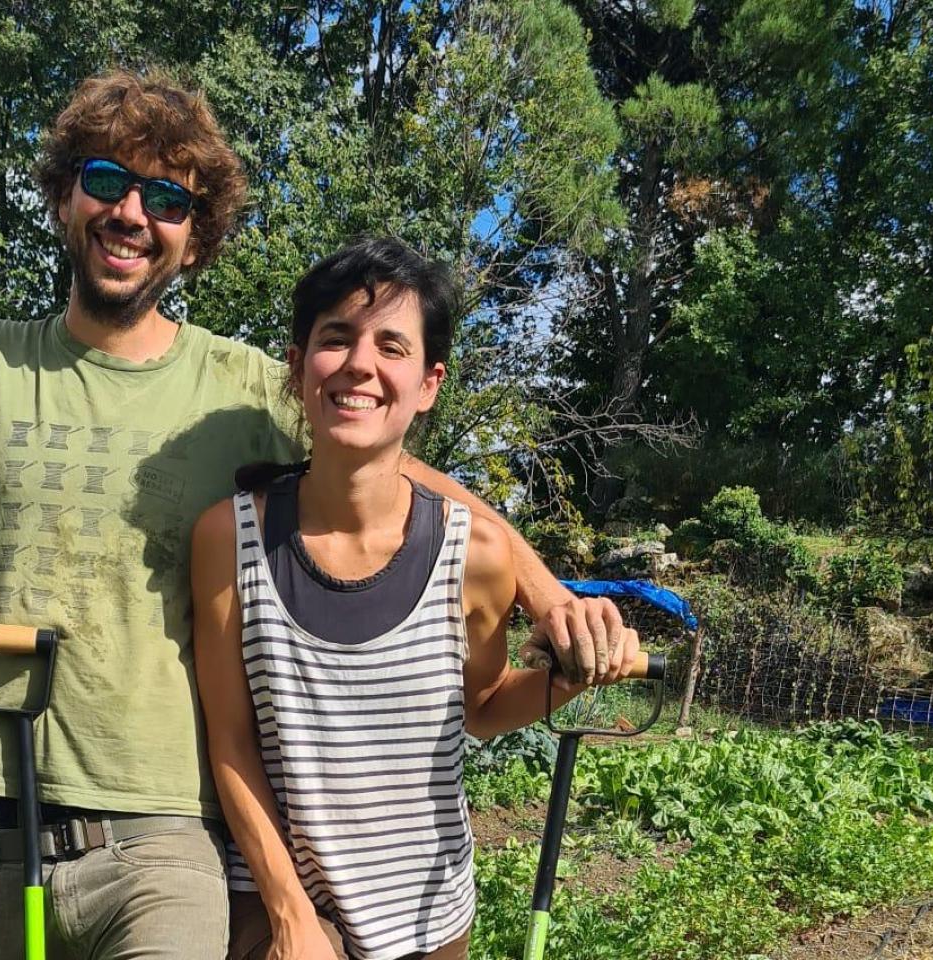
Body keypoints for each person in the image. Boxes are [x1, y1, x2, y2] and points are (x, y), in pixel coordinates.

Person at [0, 59, 633, 960]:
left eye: (166, 199)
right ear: (63, 199)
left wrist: (551, 599)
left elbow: (402, 473)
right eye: (105, 180)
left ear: (196, 239)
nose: (131, 213)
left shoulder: (240, 389)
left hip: (166, 821)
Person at [191, 238, 644, 960]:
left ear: (430, 383)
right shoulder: (230, 539)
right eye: (335, 338)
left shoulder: (477, 556)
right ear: (298, 367)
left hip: (432, 920)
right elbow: (233, 743)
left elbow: (483, 709)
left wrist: (569, 678)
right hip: (286, 915)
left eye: (391, 346)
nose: (359, 364)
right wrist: (290, 917)